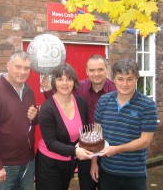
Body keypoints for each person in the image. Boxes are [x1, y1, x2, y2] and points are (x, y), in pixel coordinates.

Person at [41, 54, 116, 190]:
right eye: (92, 70)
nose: (96, 74)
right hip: (85, 152)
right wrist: (47, 92)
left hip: (110, 150)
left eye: (100, 69)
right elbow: (60, 99)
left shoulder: (116, 90)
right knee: (86, 186)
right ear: (86, 71)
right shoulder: (79, 88)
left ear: (107, 70)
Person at [91, 59, 158, 190]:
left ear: (136, 79)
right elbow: (96, 133)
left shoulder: (148, 105)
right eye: (120, 79)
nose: (125, 84)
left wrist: (116, 149)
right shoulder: (104, 100)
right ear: (113, 79)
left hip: (134, 174)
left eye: (130, 79)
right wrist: (94, 162)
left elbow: (145, 141)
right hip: (107, 171)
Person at [0, 51, 38, 190]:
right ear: (8, 66)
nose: (22, 72)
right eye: (18, 67)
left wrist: (34, 118)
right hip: (3, 166)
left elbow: (27, 122)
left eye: (26, 68)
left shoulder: (29, 91)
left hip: (27, 163)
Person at [35, 63, 93, 190]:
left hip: (68, 163)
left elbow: (83, 132)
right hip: (49, 163)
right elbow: (50, 142)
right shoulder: (47, 108)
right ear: (54, 82)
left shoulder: (80, 102)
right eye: (60, 79)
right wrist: (75, 151)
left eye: (69, 79)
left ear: (74, 82)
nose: (65, 83)